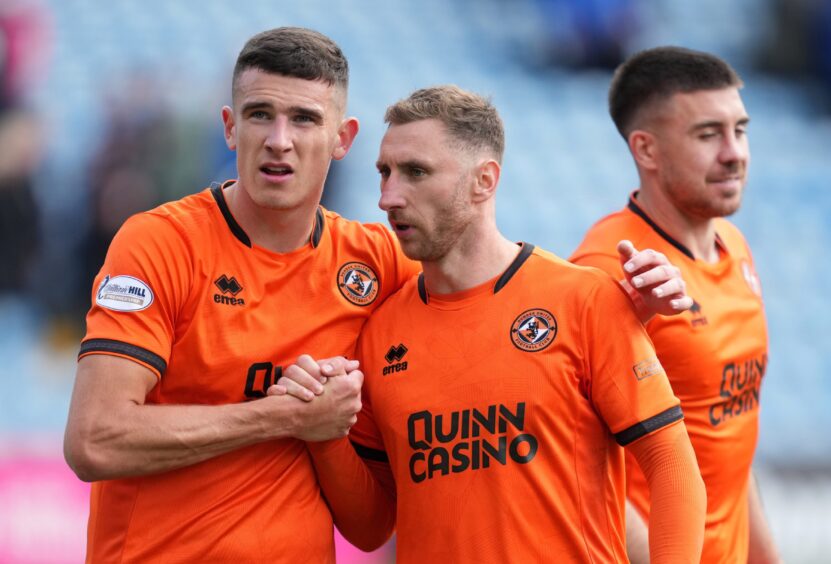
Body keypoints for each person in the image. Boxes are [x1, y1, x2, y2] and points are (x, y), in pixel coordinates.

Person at [63, 27, 694, 561]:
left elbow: (493, 295)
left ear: (342, 139)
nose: (279, 139)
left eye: (304, 118)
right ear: (230, 128)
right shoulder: (159, 244)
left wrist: (625, 307)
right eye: (260, 115)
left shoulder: (379, 263)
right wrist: (286, 417)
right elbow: (95, 440)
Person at [322, 85, 706, 562]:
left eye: (415, 172)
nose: (388, 197)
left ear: (484, 180)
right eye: (385, 173)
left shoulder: (584, 299)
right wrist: (324, 437)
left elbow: (671, 465)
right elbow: (370, 527)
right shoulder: (378, 335)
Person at [569, 46, 781, 563]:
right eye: (708, 135)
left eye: (741, 130)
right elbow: (576, 463)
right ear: (647, 149)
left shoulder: (733, 244)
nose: (735, 152)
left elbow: (726, 438)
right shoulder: (609, 270)